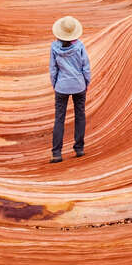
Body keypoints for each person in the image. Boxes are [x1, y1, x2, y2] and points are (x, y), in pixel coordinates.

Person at [48, 15, 91, 163]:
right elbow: (85, 67)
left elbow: (53, 69)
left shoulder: (54, 47)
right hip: (79, 85)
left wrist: (55, 84)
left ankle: (56, 153)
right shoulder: (79, 46)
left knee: (59, 118)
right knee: (80, 115)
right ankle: (79, 148)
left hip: (61, 86)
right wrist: (86, 82)